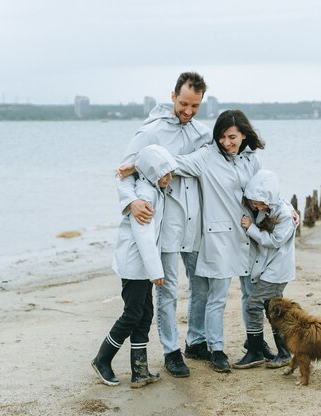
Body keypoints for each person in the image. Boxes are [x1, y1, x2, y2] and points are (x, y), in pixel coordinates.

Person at [116, 72, 212, 378]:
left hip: (196, 221)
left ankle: (196, 340)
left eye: (195, 106)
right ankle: (171, 351)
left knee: (202, 285)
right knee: (168, 289)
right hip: (166, 223)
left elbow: (216, 168)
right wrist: (131, 202)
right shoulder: (150, 131)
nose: (188, 111)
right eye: (184, 103)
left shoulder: (203, 133)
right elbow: (121, 174)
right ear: (173, 96)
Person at [171, 109, 265, 372]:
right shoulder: (206, 157)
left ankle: (255, 342)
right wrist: (138, 162)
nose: (226, 142)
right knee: (217, 297)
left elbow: (265, 194)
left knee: (251, 294)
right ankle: (217, 349)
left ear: (244, 134)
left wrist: (287, 211)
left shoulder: (252, 160)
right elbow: (174, 163)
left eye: (232, 137)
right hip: (219, 237)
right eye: (222, 136)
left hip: (249, 235)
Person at [92, 144, 178, 388]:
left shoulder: (152, 187)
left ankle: (139, 370)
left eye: (170, 172)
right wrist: (156, 271)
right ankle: (102, 359)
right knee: (132, 314)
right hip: (135, 266)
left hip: (143, 267)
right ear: (151, 172)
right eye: (165, 173)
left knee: (145, 314)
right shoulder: (145, 196)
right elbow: (143, 236)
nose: (169, 178)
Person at [231, 169, 295, 369]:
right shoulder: (269, 208)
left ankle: (257, 350)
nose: (255, 206)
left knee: (254, 305)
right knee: (272, 309)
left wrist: (250, 228)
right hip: (269, 268)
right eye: (253, 202)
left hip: (277, 271)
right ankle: (281, 352)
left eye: (259, 203)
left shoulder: (284, 214)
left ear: (269, 198)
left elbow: (274, 242)